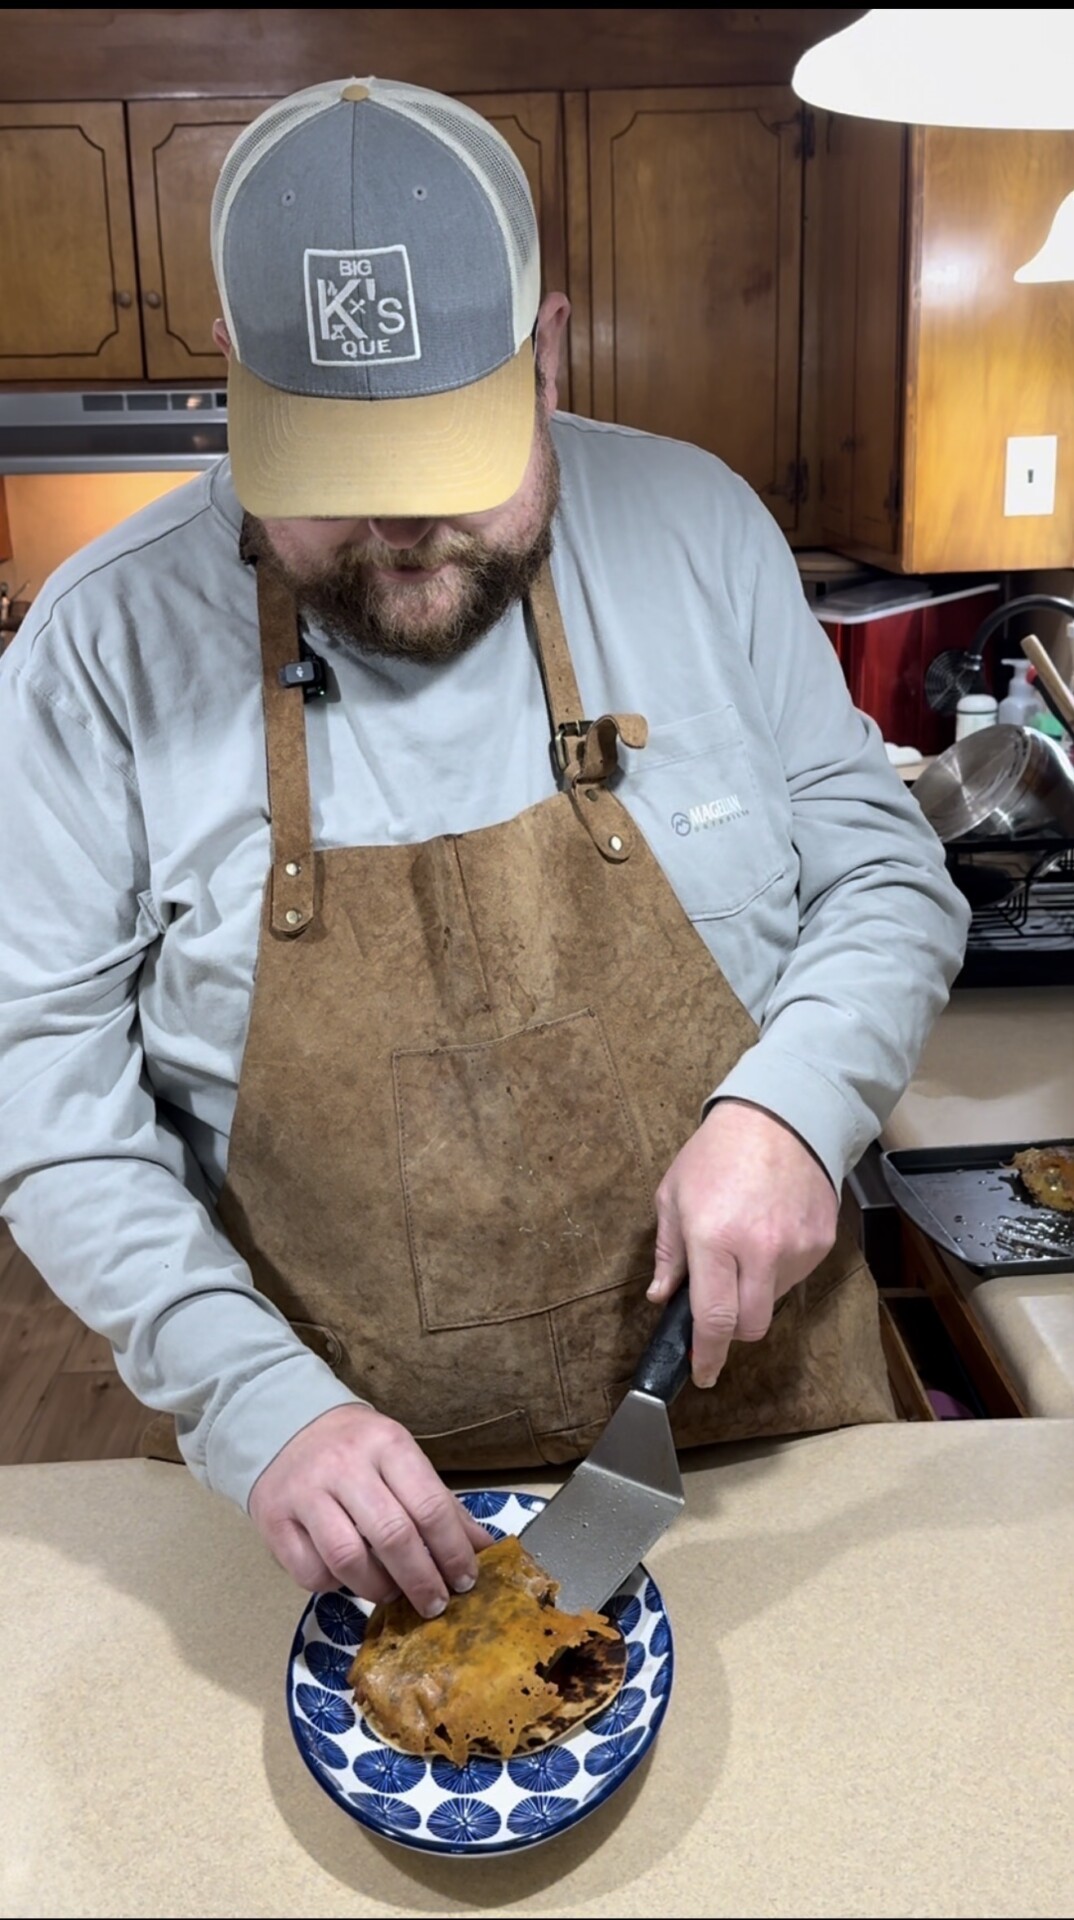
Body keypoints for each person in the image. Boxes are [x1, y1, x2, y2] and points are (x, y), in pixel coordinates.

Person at [0, 77, 969, 1620]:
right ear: (237, 372)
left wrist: (796, 1108)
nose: (399, 528)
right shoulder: (95, 650)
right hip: (348, 1519)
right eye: (331, 470)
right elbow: (41, 1086)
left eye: (450, 455)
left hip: (773, 1460)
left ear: (550, 348)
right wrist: (260, 1404)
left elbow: (877, 867)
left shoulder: (699, 528)